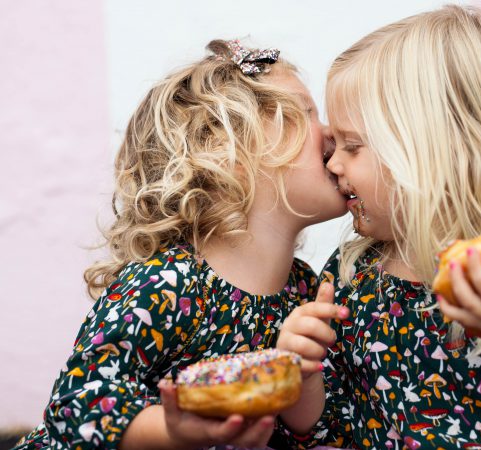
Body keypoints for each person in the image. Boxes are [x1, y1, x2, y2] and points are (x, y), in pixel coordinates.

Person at [276, 5, 481, 449]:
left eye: (353, 145)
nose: (332, 162)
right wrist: (303, 379)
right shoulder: (351, 276)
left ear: (437, 150)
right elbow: (332, 429)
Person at [13, 39, 346, 450]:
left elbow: (317, 433)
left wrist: (305, 384)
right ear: (229, 152)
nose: (331, 131)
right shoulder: (166, 283)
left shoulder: (305, 291)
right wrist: (174, 431)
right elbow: (78, 405)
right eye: (306, 113)